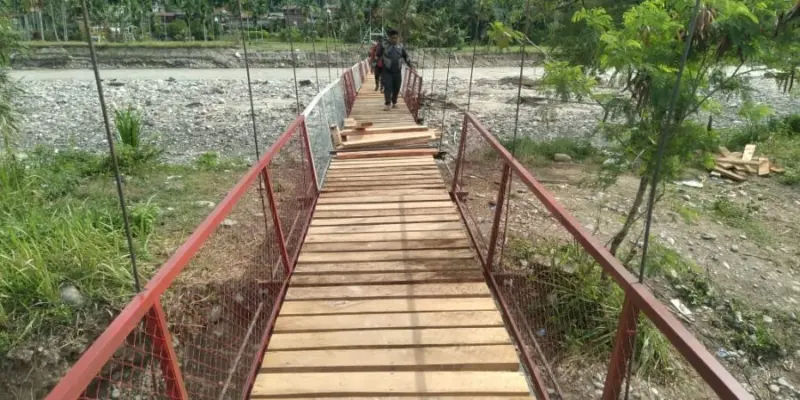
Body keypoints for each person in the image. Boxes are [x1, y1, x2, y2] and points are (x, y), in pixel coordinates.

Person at [376, 29, 412, 111]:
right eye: (392, 38)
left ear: (398, 38)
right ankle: (387, 103)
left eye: (396, 38)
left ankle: (394, 101)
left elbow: (406, 56)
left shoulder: (400, 46)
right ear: (389, 38)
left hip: (397, 71)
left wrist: (410, 65)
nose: (394, 40)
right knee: (388, 87)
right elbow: (378, 54)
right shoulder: (384, 45)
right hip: (387, 71)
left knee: (397, 87)